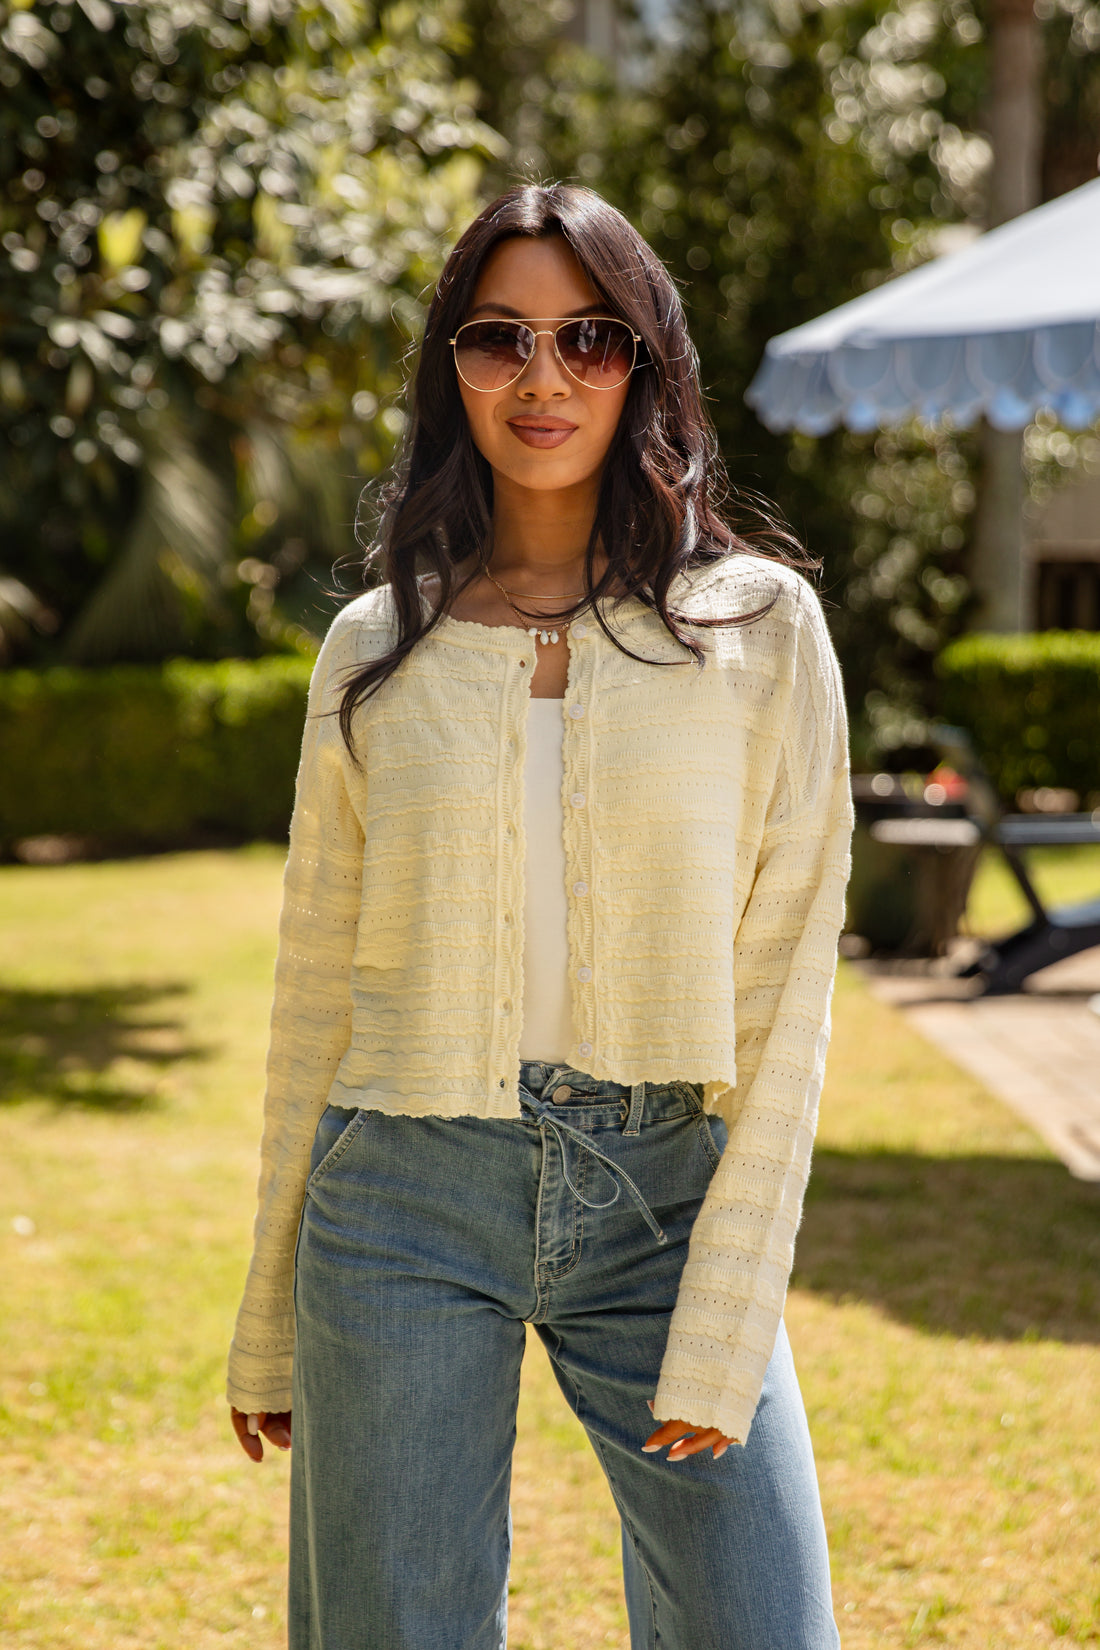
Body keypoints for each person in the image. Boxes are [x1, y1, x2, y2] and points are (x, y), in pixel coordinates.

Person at [227, 182, 853, 1650]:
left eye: (589, 336)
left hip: (666, 1200)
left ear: (647, 362)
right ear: (452, 367)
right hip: (402, 1199)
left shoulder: (759, 631)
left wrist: (726, 1313)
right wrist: (267, 1305)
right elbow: (312, 981)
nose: (543, 376)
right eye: (498, 336)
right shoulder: (378, 646)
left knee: (762, 1622)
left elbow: (786, 992)